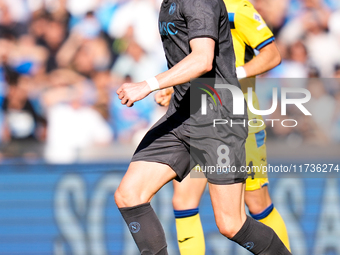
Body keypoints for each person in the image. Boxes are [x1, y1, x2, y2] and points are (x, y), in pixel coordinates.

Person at [115, 0, 291, 254]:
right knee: (130, 195)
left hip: (218, 119)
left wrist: (149, 84)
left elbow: (203, 59)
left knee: (233, 223)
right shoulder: (169, 4)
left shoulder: (205, 3)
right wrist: (170, 86)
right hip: (182, 113)